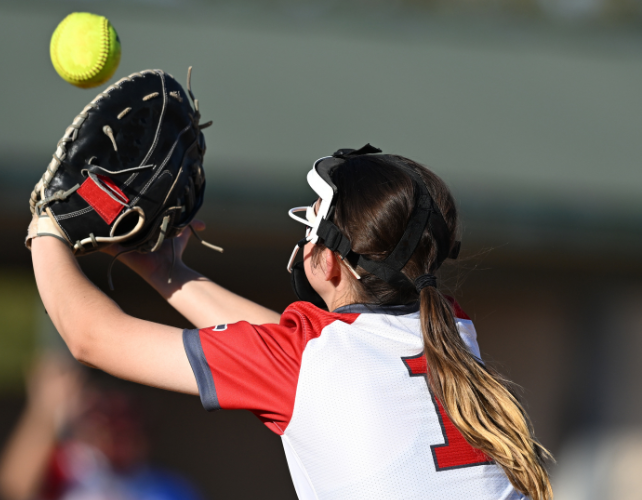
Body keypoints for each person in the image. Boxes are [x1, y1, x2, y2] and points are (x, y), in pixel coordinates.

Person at [30, 145, 553, 500]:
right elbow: (294, 350)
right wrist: (167, 271)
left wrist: (46, 221)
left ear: (327, 261)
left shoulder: (310, 361)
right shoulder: (453, 331)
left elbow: (90, 336)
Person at [0, 353, 203, 500]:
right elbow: (14, 488)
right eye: (106, 420)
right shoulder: (71, 467)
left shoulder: (169, 488)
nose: (117, 434)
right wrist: (45, 412)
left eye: (127, 423)